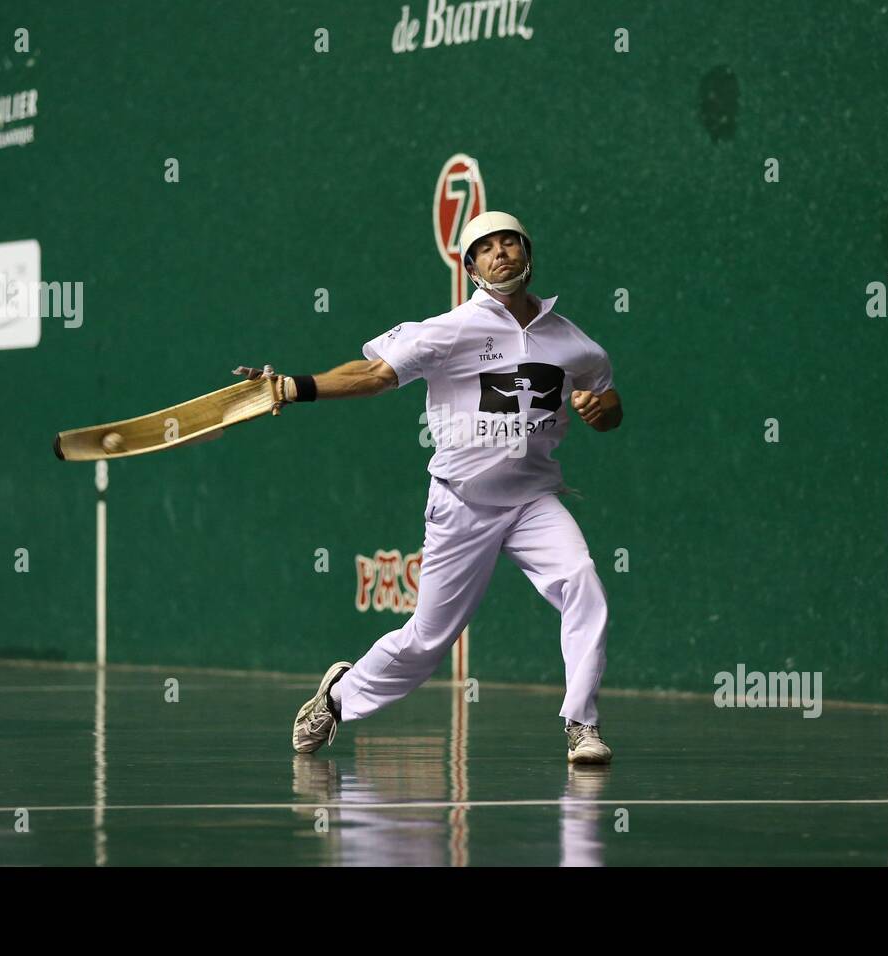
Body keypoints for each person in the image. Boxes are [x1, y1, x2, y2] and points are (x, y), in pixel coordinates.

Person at [235, 211, 623, 763]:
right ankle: (337, 698)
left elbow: (609, 406)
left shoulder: (575, 344)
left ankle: (582, 724)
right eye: (485, 248)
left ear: (528, 253)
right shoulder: (450, 330)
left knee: (582, 580)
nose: (500, 253)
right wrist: (291, 387)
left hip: (534, 501)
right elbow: (372, 376)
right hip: (463, 503)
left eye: (509, 242)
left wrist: (595, 408)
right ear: (471, 268)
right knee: (427, 641)